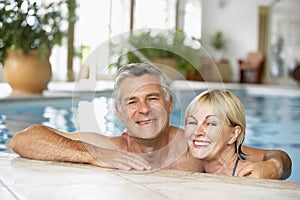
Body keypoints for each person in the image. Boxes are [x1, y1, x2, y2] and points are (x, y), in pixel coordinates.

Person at [10, 63, 291, 179]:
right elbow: (24, 138)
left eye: (153, 98)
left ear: (169, 104)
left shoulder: (193, 144)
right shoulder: (111, 147)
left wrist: (274, 166)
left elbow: (276, 156)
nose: (143, 109)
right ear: (120, 113)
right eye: (132, 101)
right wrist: (94, 156)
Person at [185, 89, 253, 176]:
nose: (197, 132)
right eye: (192, 122)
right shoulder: (191, 167)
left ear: (234, 133)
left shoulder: (249, 176)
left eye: (210, 123)